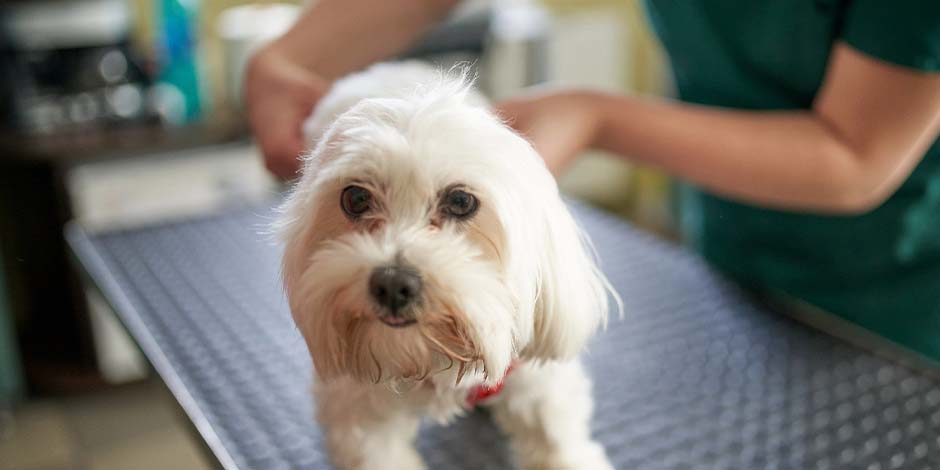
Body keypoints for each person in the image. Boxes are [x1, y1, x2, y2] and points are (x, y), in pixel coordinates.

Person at [245, 0, 940, 361]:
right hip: (732, 252)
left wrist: (596, 116)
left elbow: (856, 155)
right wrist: (284, 59)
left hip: (904, 302)